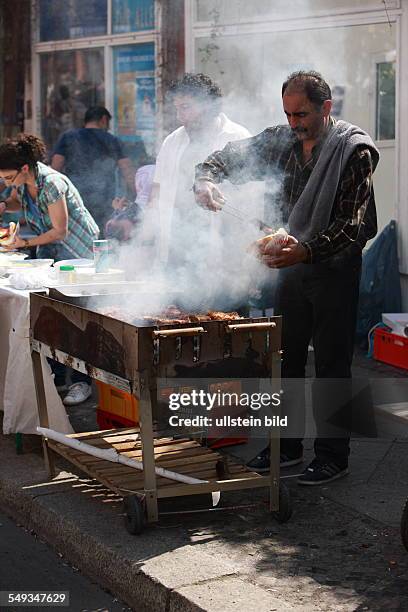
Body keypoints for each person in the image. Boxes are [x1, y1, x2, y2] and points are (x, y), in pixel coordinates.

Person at [194, 71, 380, 485]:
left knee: (332, 364)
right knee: (286, 359)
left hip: (334, 267)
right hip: (288, 263)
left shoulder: (353, 151)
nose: (294, 124)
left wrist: (307, 250)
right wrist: (205, 180)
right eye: (288, 114)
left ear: (326, 108)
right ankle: (287, 446)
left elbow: (353, 226)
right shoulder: (281, 138)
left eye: (302, 115)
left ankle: (334, 455)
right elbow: (224, 157)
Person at [0, 133, 99, 406]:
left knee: (78, 320)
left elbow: (60, 230)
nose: (7, 184)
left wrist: (24, 242)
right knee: (49, 317)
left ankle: (82, 382)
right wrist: (3, 205)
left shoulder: (52, 183)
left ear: (24, 168)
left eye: (9, 178)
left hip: (77, 256)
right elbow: (17, 202)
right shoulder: (22, 184)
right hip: (51, 255)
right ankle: (55, 377)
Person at [148, 73, 251, 278]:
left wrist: (242, 260)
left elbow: (251, 202)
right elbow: (157, 193)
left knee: (223, 311)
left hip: (223, 258)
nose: (179, 116)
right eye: (177, 108)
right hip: (176, 252)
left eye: (185, 107)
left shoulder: (238, 138)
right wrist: (147, 239)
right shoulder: (172, 141)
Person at [51, 106, 135, 234]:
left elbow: (55, 168)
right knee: (101, 240)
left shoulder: (68, 137)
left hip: (73, 200)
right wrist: (137, 193)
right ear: (103, 119)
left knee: (77, 238)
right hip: (104, 201)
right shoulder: (112, 140)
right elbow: (126, 169)